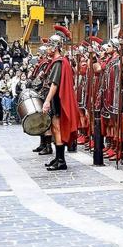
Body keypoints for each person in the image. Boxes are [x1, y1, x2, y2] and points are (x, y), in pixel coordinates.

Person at [42, 26, 79, 171]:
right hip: (55, 99)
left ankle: (61, 160)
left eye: (50, 46)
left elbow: (55, 84)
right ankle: (57, 158)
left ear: (56, 47)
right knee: (54, 127)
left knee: (57, 129)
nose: (48, 48)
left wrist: (46, 101)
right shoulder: (57, 61)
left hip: (57, 99)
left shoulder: (58, 62)